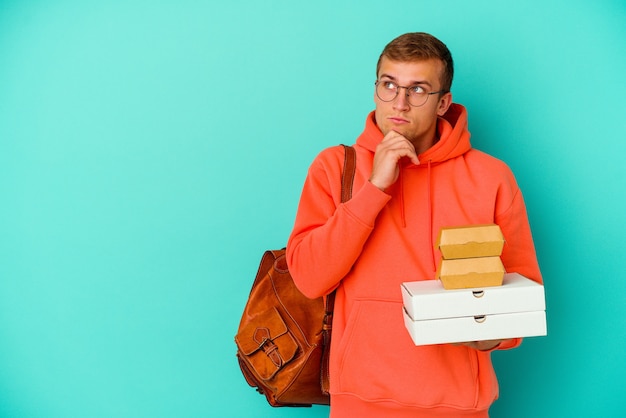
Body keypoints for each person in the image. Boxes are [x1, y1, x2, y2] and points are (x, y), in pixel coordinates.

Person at [286, 32, 542, 418]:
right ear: (376, 90)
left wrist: (492, 336)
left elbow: (523, 289)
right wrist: (374, 189)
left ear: (443, 103)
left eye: (418, 89)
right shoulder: (335, 168)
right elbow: (308, 278)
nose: (399, 103)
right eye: (389, 85)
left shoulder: (491, 178)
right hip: (361, 400)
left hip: (458, 403)